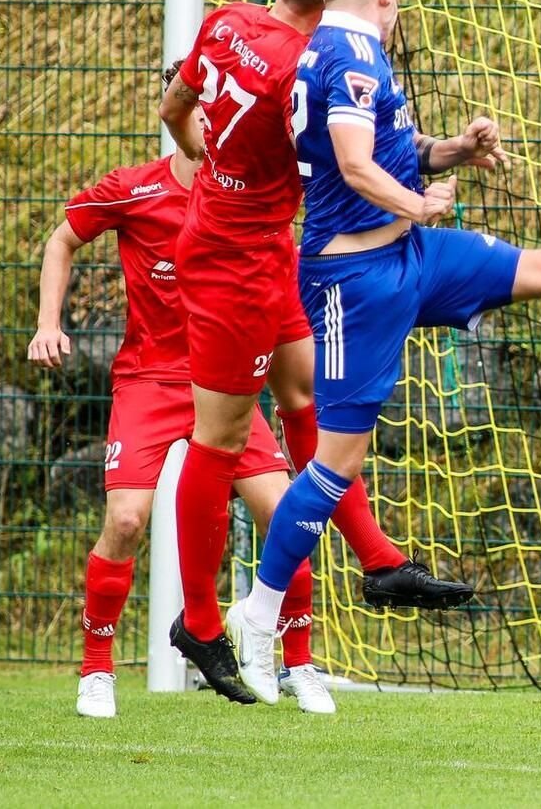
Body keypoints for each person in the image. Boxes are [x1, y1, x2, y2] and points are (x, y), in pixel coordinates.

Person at [223, 0, 541, 704]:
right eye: (400, 6)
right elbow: (357, 165)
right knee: (333, 468)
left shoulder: (345, 49)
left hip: (412, 255)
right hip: (353, 280)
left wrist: (452, 152)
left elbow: (389, 151)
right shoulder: (352, 56)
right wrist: (419, 201)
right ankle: (257, 616)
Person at [155, 0, 467, 712]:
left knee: (307, 401)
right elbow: (368, 157)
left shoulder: (226, 21)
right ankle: (197, 621)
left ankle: (377, 558)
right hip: (233, 266)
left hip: (262, 250)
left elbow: (174, 107)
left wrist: (212, 174)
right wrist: (431, 179)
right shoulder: (308, 63)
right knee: (218, 440)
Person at [31, 64, 345, 716]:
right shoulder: (134, 188)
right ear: (178, 114)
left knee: (287, 513)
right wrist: (47, 324)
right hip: (149, 379)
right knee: (125, 519)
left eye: (224, 112)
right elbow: (62, 238)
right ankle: (97, 669)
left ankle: (299, 661)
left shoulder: (252, 195)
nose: (214, 123)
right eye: (203, 109)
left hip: (227, 382)